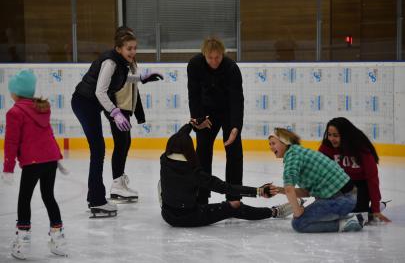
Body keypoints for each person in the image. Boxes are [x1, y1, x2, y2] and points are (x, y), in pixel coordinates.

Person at [71, 26, 163, 217]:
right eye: (129, 48)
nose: (133, 52)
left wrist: (141, 78)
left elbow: (120, 79)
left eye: (135, 48)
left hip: (92, 104)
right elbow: (99, 91)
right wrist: (115, 112)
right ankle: (96, 201)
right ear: (119, 48)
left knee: (99, 149)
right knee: (98, 149)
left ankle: (96, 198)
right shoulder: (111, 62)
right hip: (84, 102)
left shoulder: (120, 63)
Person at [159, 124, 293, 227]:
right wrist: (258, 191)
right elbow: (226, 188)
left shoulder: (164, 160)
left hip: (167, 214)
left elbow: (180, 136)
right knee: (234, 206)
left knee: (164, 182)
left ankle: (168, 200)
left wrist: (190, 125)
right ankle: (275, 212)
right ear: (189, 149)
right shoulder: (195, 173)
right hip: (190, 217)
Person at [2, 70, 67, 259]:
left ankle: (23, 242)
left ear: (16, 92)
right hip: (50, 160)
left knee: (24, 199)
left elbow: (11, 143)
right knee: (49, 197)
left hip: (33, 162)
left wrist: (8, 169)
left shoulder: (14, 112)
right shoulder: (42, 107)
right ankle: (58, 239)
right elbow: (49, 135)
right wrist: (58, 157)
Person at [268, 127, 364, 233]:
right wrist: (277, 190)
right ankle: (347, 216)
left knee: (299, 223)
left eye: (273, 143)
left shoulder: (292, 157)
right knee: (304, 216)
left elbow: (289, 189)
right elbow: (306, 192)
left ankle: (347, 223)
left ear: (284, 142)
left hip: (341, 200)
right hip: (347, 197)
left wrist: (297, 211)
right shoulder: (298, 152)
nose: (271, 147)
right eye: (270, 144)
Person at [187, 36, 244, 204]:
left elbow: (237, 100)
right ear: (204, 55)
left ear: (223, 54)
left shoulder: (231, 68)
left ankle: (234, 196)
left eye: (217, 57)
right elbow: (193, 94)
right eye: (210, 57)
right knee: (202, 152)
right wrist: (198, 119)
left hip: (228, 112)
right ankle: (201, 195)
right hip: (206, 113)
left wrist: (235, 127)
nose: (213, 61)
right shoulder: (195, 65)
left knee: (234, 153)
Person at [319, 117, 391, 223]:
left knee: (356, 218)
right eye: (329, 135)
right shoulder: (326, 147)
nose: (331, 139)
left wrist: (375, 208)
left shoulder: (361, 147)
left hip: (359, 186)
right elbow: (319, 172)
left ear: (345, 135)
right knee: (330, 213)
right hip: (339, 185)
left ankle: (375, 209)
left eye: (336, 135)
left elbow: (372, 178)